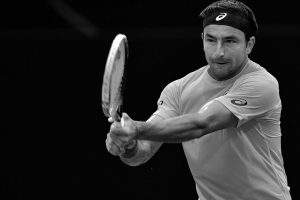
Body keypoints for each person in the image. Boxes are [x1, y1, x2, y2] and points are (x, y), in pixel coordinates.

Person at [105, 0, 292, 199]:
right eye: (211, 40)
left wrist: (137, 129)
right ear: (202, 39)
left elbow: (202, 124)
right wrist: (128, 145)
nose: (219, 51)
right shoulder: (178, 90)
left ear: (249, 45)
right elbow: (143, 153)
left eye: (230, 41)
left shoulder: (262, 84)